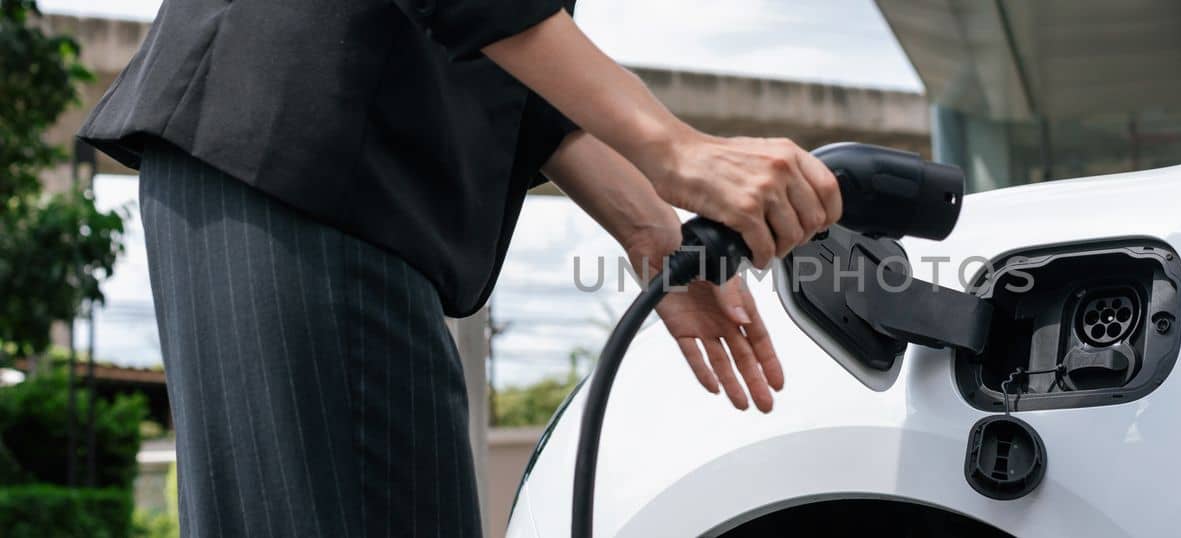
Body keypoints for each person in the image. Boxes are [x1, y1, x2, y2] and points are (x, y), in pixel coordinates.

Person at [78, 0, 841, 536]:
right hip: (306, 152)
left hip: (298, 164)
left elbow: (498, 59)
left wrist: (653, 231)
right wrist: (672, 146)